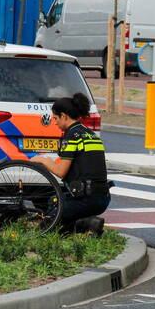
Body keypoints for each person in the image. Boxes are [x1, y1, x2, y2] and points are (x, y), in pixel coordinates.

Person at [29, 93, 110, 235]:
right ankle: (85, 222)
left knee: (45, 230)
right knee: (52, 201)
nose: (54, 123)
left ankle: (86, 224)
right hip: (102, 197)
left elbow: (61, 171)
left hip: (85, 199)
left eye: (55, 118)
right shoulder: (89, 133)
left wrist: (43, 160)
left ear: (64, 116)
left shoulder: (71, 135)